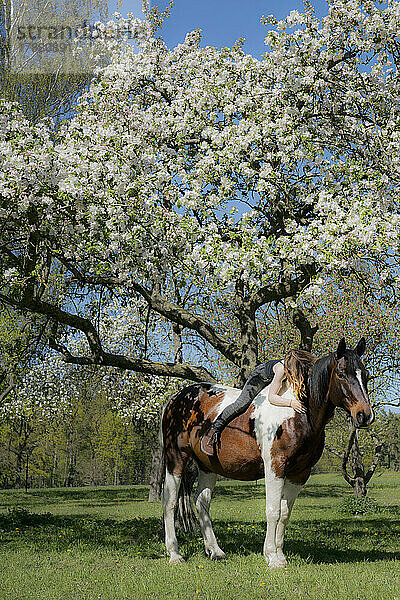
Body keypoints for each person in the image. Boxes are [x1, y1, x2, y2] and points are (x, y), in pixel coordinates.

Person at [200, 349, 316, 456]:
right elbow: (272, 397)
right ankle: (213, 429)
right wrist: (291, 403)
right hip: (260, 377)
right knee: (241, 404)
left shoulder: (302, 367)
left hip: (273, 377)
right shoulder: (282, 370)